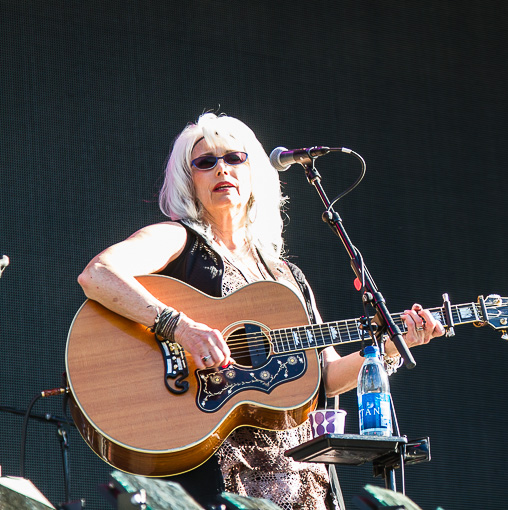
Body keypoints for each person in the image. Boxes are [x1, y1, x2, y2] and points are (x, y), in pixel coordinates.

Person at [77, 112, 444, 509]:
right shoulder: (177, 239)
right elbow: (98, 274)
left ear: (255, 174)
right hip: (217, 465)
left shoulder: (285, 274)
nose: (222, 169)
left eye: (235, 158)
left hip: (302, 473)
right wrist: (180, 327)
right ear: (190, 180)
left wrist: (391, 347)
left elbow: (326, 375)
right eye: (205, 162)